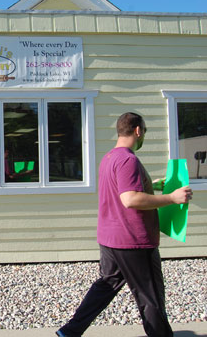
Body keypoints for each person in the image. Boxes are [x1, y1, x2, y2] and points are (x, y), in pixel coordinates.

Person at [56, 112, 193, 337]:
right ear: (138, 131)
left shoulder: (110, 158)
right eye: (145, 131)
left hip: (110, 239)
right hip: (134, 241)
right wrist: (172, 198)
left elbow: (123, 190)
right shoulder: (129, 160)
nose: (144, 136)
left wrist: (153, 185)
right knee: (150, 298)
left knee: (105, 287)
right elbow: (130, 199)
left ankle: (70, 332)